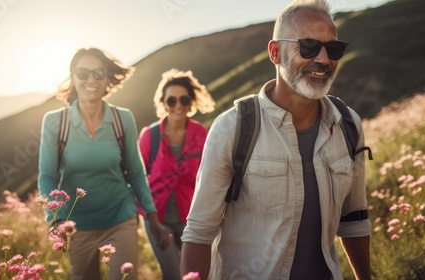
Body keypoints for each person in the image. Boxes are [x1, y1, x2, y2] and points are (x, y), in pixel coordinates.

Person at [180, 0, 372, 279]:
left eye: (333, 49)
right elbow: (199, 233)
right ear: (275, 52)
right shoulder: (232, 128)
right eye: (307, 46)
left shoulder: (348, 124)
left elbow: (354, 221)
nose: (322, 59)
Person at [38, 47, 170, 280]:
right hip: (75, 227)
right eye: (83, 73)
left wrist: (152, 216)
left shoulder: (122, 118)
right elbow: (47, 176)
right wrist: (56, 219)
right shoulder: (55, 122)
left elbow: (136, 173)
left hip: (120, 219)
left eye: (99, 73)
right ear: (73, 77)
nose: (91, 79)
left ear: (107, 79)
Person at [138, 69, 215, 280]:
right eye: (171, 100)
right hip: (157, 220)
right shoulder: (149, 136)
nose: (178, 105)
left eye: (184, 99)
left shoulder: (201, 134)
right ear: (163, 103)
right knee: (172, 274)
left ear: (191, 102)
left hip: (191, 218)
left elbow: (209, 175)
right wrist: (145, 214)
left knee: (195, 275)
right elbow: (136, 178)